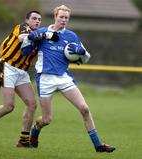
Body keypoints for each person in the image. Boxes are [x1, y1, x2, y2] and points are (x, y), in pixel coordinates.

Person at [21, 5, 116, 153]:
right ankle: (35, 129)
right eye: (61, 17)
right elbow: (25, 51)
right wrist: (33, 37)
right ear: (55, 17)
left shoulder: (71, 36)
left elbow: (86, 58)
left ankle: (98, 145)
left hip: (64, 78)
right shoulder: (43, 32)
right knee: (46, 120)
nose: (64, 20)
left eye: (66, 18)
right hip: (45, 79)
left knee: (84, 109)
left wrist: (82, 52)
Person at [0, 10, 42, 148]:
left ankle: (24, 140)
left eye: (39, 19)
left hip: (22, 72)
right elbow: (22, 38)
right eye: (34, 18)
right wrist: (41, 35)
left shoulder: (39, 38)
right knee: (9, 106)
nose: (37, 21)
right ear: (27, 20)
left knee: (32, 104)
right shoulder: (22, 28)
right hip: (7, 66)